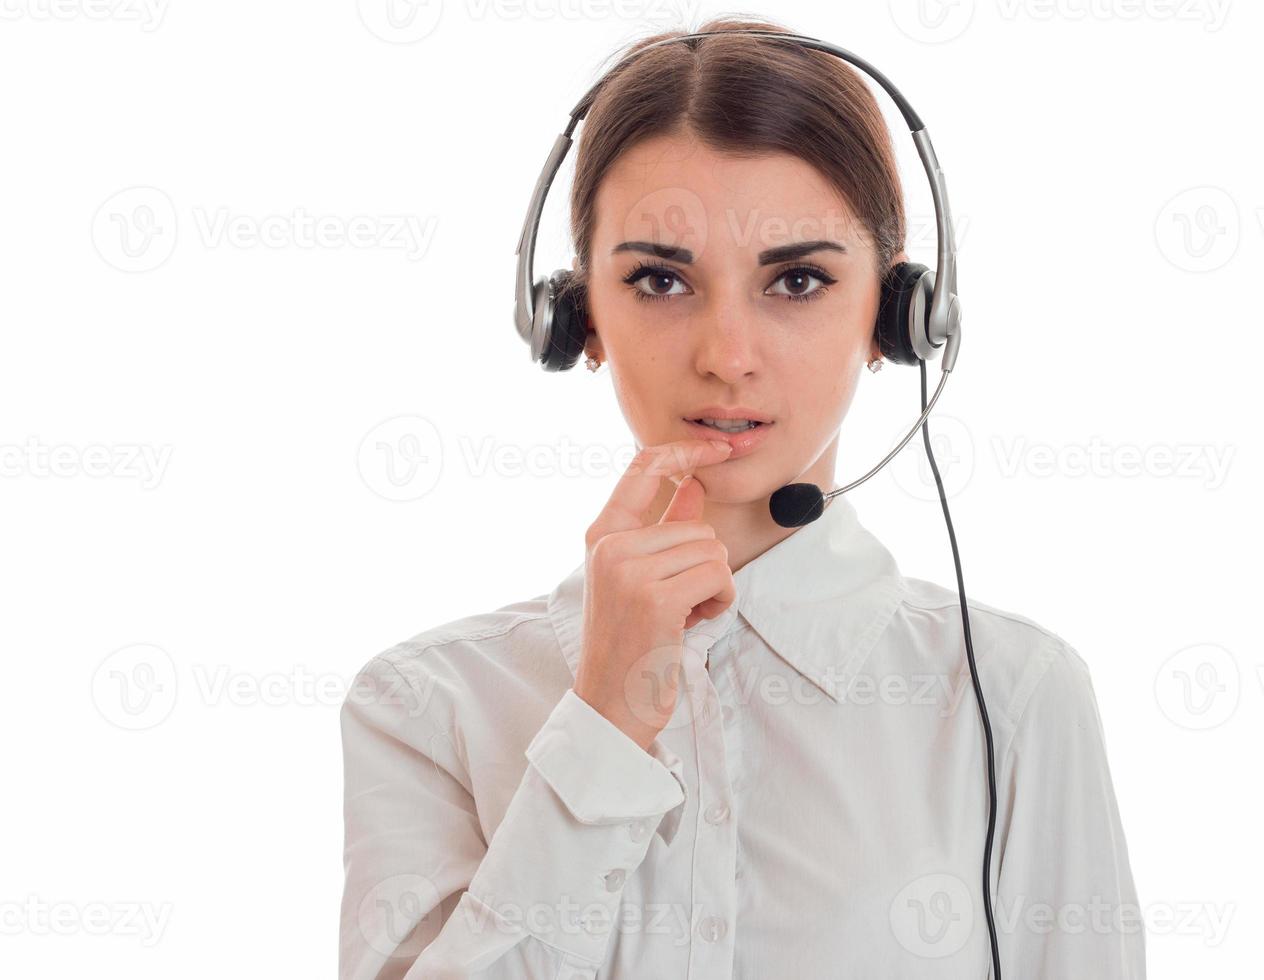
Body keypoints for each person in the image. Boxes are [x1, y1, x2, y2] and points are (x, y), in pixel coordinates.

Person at [339, 17, 1143, 979]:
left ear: (897, 317)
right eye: (660, 279)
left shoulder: (1011, 698)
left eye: (798, 280)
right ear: (573, 317)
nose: (727, 355)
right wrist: (601, 722)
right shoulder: (428, 704)